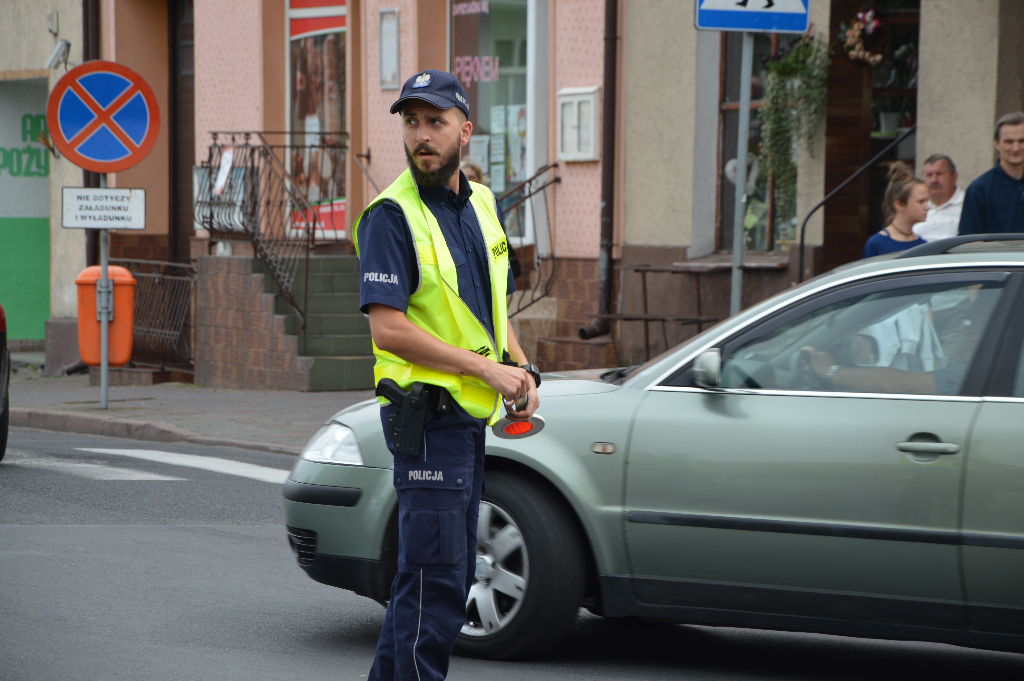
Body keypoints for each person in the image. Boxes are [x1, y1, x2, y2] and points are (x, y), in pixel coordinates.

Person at [353, 69, 541, 681]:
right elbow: (390, 330)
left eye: (434, 122)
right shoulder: (391, 217)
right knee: (435, 587)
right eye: (411, 122)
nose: (421, 136)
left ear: (466, 129)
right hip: (426, 419)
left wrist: (517, 365)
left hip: (466, 422)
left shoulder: (483, 203)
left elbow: (490, 306)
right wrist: (489, 369)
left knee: (445, 577)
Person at [959, 111, 1024, 235]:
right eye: (1009, 141)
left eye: (1022, 141)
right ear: (997, 144)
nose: (1016, 148)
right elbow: (970, 243)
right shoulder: (978, 190)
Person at [863, 162, 928, 258]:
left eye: (927, 201)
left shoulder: (923, 245)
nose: (927, 207)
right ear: (900, 204)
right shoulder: (876, 244)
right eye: (921, 201)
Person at [912, 154, 965, 242]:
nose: (934, 180)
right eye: (929, 175)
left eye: (939, 174)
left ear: (954, 177)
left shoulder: (968, 204)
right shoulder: (915, 206)